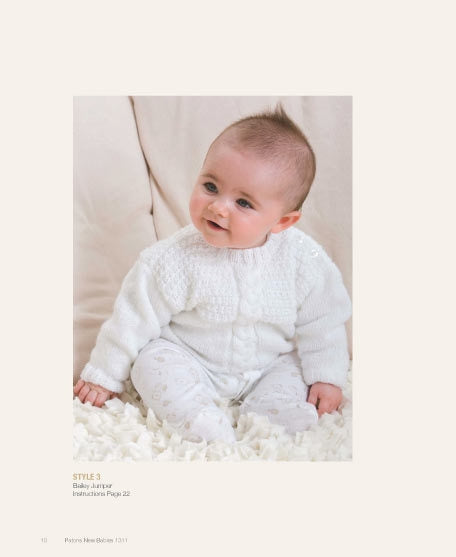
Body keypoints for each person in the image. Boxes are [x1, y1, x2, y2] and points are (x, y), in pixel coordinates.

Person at [74, 105, 351, 443]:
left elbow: (324, 320)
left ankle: (275, 416)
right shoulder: (173, 258)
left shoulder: (304, 259)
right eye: (210, 186)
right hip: (191, 360)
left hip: (270, 364)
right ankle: (198, 418)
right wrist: (104, 373)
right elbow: (133, 317)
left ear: (282, 221)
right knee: (149, 363)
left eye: (243, 203)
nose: (218, 207)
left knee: (296, 378)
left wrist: (327, 375)